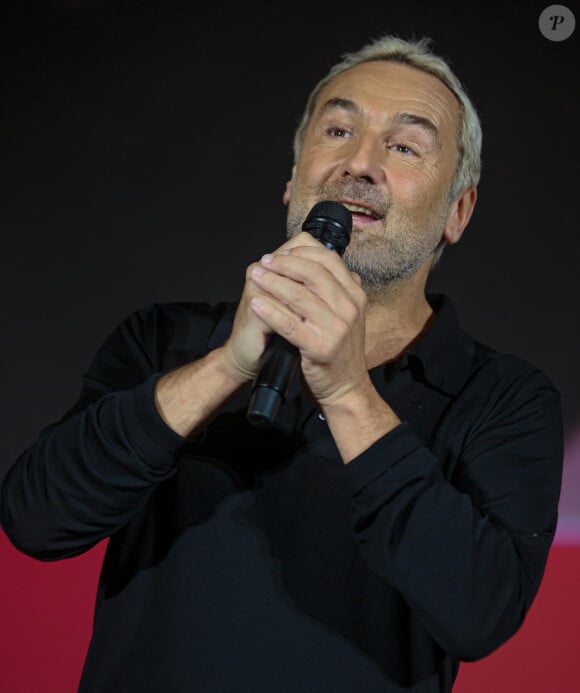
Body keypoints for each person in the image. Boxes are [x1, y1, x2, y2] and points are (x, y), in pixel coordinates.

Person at [0, 35, 563, 692]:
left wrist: (349, 391)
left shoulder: (504, 399)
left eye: (405, 146)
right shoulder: (166, 340)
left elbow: (481, 611)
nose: (360, 162)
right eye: (337, 130)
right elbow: (37, 519)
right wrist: (227, 366)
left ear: (457, 212)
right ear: (294, 179)